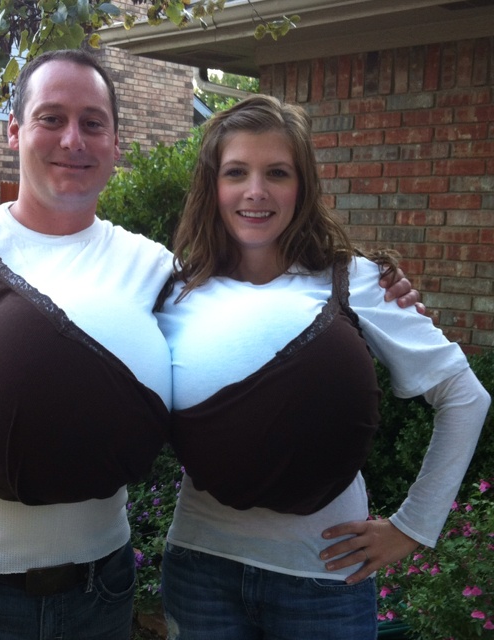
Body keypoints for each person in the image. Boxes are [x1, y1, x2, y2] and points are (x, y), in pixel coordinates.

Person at [0, 52, 418, 640]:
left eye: (93, 123)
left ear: (116, 144)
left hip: (104, 588)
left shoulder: (157, 270)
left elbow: (253, 309)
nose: (73, 139)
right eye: (51, 118)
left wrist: (383, 294)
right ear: (16, 129)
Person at [155, 95, 490, 640]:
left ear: (302, 186)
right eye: (236, 172)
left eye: (277, 173)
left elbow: (465, 396)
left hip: (324, 579)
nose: (255, 191)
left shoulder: (355, 282)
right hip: (200, 569)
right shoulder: (175, 290)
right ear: (212, 187)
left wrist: (412, 528)